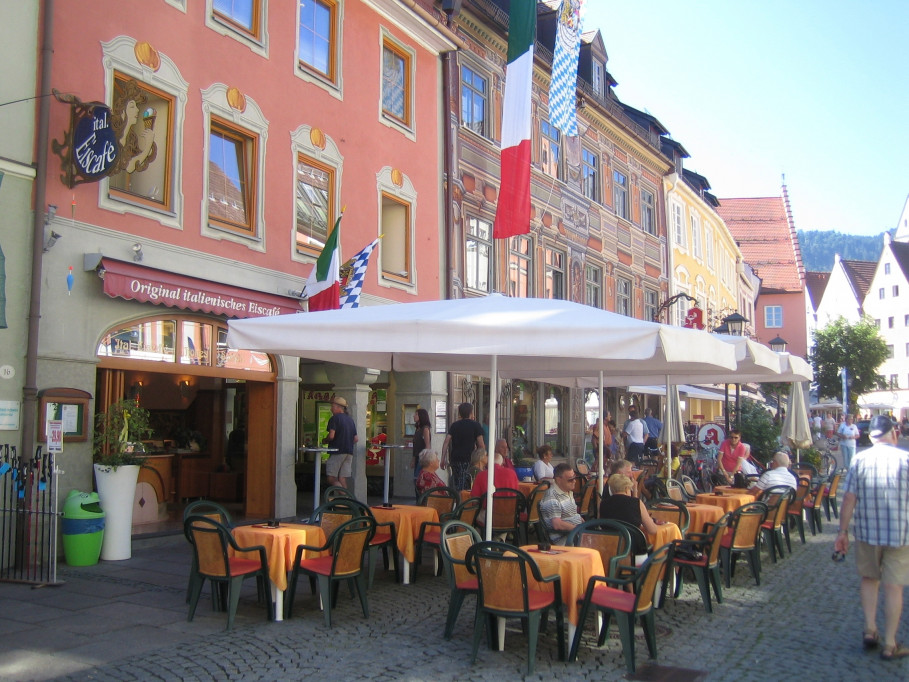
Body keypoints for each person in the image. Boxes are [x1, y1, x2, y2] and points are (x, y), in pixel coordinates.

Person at [834, 416, 909, 660]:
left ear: (871, 436)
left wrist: (842, 532)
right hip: (900, 533)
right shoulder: (905, 460)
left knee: (869, 578)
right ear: (894, 433)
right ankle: (889, 643)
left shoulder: (860, 459)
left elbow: (849, 498)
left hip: (867, 532)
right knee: (894, 586)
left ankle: (869, 629)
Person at [598, 473, 660, 555]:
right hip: (632, 550)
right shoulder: (636, 503)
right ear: (627, 488)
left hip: (609, 549)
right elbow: (652, 530)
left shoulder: (603, 504)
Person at [441, 403, 485, 491]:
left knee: (457, 482)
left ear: (460, 413)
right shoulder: (476, 425)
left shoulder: (454, 425)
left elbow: (446, 442)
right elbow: (481, 444)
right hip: (469, 459)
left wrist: (443, 458)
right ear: (471, 413)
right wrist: (482, 458)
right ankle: (464, 501)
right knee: (468, 482)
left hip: (455, 458)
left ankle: (458, 500)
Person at [539, 463, 584, 545]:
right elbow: (557, 524)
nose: (574, 481)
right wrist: (578, 529)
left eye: (575, 478)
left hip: (575, 534)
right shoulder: (552, 498)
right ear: (558, 480)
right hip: (566, 539)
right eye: (570, 479)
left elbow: (573, 515)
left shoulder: (567, 491)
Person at [325, 396, 357, 490]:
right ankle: (347, 502)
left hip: (337, 451)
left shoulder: (334, 419)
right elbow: (356, 439)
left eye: (333, 406)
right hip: (349, 452)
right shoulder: (350, 420)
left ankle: (344, 497)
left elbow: (331, 436)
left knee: (331, 478)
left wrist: (325, 440)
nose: (331, 408)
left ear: (338, 407)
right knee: (342, 478)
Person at [411, 408, 432, 489]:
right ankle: (418, 499)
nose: (414, 416)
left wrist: (425, 459)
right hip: (417, 456)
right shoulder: (417, 429)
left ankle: (421, 499)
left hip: (422, 458)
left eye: (416, 414)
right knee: (416, 479)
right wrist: (413, 459)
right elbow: (415, 445)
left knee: (418, 478)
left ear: (421, 416)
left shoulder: (425, 429)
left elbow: (427, 445)